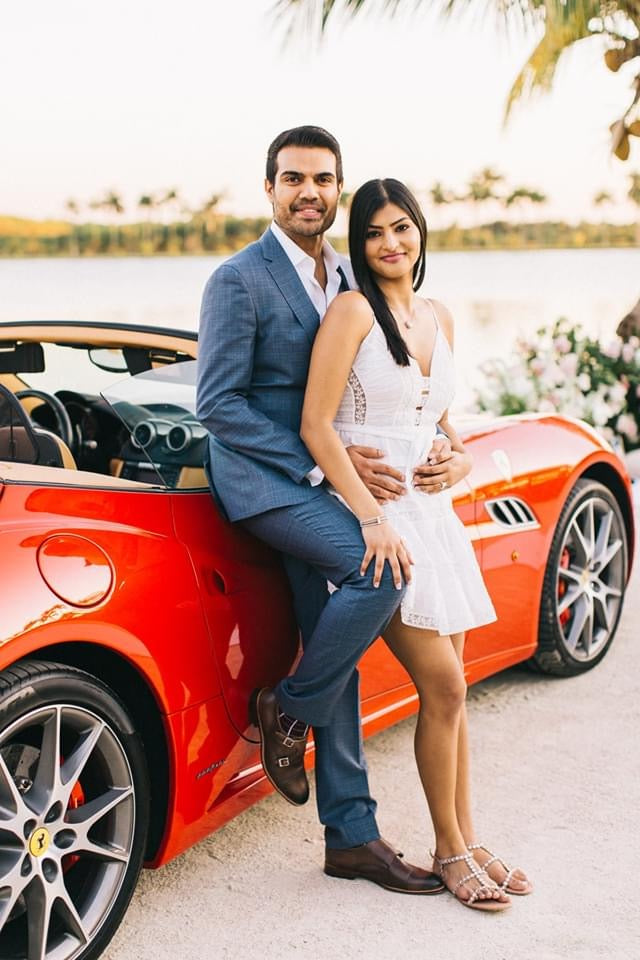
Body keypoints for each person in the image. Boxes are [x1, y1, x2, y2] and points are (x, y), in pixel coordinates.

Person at [197, 126, 467, 894]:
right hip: (267, 482)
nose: (308, 192)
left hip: (336, 477)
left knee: (334, 639)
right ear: (270, 188)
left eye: (322, 179)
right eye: (293, 179)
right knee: (379, 571)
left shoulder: (352, 274)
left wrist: (449, 450)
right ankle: (288, 708)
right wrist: (325, 464)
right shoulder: (237, 280)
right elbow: (218, 404)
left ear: (337, 189)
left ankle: (351, 838)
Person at [300, 177, 533, 911]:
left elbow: (438, 419)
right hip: (377, 521)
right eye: (373, 232)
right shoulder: (351, 311)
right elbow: (316, 424)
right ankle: (451, 851)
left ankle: (466, 837)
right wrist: (370, 515)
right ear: (359, 244)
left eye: (401, 227)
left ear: (420, 231)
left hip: (435, 516)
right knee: (446, 686)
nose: (390, 243)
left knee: (454, 692)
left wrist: (459, 460)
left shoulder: (439, 315)